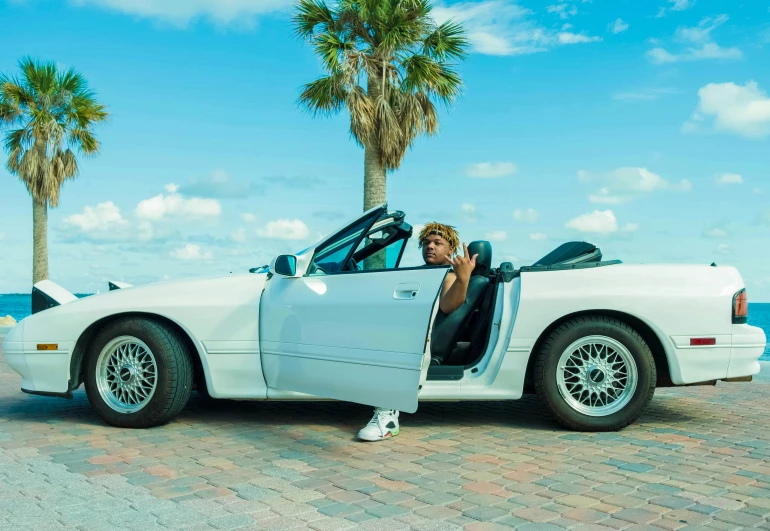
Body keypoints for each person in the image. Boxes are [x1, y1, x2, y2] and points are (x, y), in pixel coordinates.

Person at [357, 222, 478, 442]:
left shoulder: (448, 276)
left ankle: (388, 418)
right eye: (426, 243)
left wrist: (463, 277)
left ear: (451, 249)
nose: (430, 247)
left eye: (437, 243)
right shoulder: (424, 274)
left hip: (422, 341)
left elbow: (448, 306)